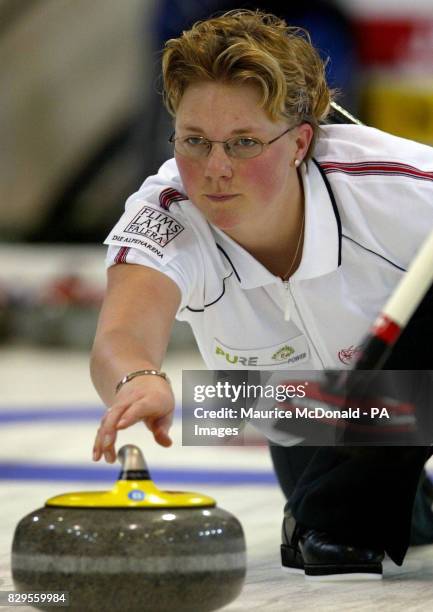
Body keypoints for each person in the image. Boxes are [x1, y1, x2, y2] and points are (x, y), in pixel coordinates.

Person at [90, 10, 433, 580]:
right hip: (290, 407)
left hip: (414, 379)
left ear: (300, 141)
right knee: (354, 522)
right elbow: (122, 333)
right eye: (194, 141)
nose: (215, 169)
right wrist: (137, 380)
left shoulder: (399, 191)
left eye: (245, 142)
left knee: (339, 517)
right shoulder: (166, 213)